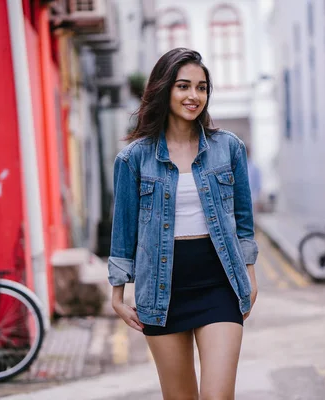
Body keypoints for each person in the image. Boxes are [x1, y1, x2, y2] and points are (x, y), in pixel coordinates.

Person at [107, 48, 259, 399]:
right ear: (165, 89)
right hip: (162, 292)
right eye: (184, 86)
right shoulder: (134, 158)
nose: (194, 96)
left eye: (202, 88)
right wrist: (117, 296)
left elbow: (243, 220)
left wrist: (250, 277)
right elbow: (123, 231)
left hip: (219, 285)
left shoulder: (229, 148)